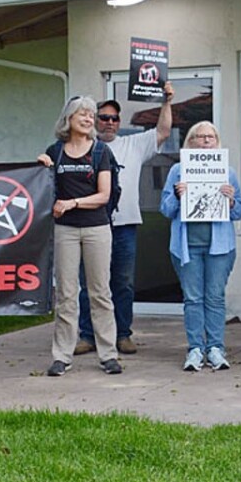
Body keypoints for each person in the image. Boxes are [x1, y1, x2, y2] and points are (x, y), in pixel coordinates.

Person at [73, 83, 173, 356]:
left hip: (125, 225)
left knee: (123, 283)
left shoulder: (133, 144)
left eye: (114, 118)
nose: (109, 122)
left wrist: (166, 101)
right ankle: (87, 335)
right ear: (94, 121)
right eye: (103, 117)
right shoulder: (82, 148)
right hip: (91, 225)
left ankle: (122, 334)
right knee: (90, 284)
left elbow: (163, 131)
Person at [37, 96, 123, 377]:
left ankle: (108, 354)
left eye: (91, 115)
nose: (88, 119)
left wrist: (72, 203)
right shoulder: (56, 151)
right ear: (68, 119)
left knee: (100, 293)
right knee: (66, 294)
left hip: (96, 228)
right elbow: (43, 186)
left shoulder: (100, 152)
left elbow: (104, 196)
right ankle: (61, 355)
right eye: (82, 114)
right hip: (65, 231)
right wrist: (40, 166)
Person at [159, 122, 241, 371]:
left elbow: (239, 211)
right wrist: (176, 195)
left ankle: (216, 348)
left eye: (211, 136)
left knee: (215, 298)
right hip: (187, 246)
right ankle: (195, 349)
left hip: (219, 246)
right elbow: (165, 209)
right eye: (200, 136)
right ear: (191, 141)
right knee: (193, 298)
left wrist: (230, 201)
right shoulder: (178, 170)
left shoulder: (226, 172)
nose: (206, 140)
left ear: (217, 141)